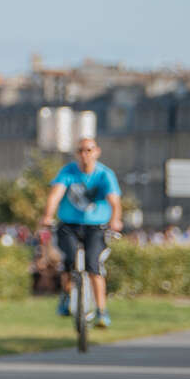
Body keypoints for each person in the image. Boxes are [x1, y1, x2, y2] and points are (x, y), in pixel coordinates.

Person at [38, 134, 122, 327]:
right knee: (69, 260)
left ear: (97, 152)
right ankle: (67, 296)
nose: (85, 155)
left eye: (89, 150)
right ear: (77, 154)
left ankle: (102, 312)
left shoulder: (104, 175)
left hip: (96, 226)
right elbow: (55, 196)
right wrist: (48, 216)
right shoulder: (68, 172)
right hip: (69, 225)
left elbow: (114, 201)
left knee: (94, 265)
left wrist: (115, 220)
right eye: (81, 151)